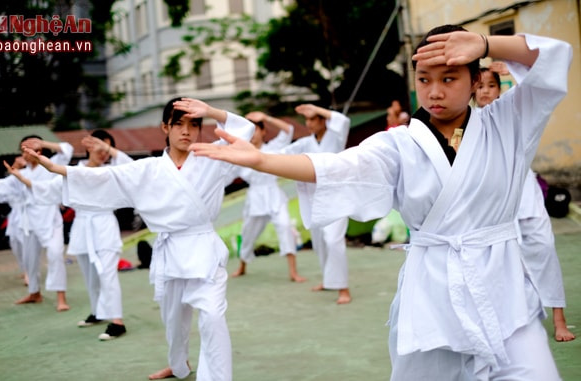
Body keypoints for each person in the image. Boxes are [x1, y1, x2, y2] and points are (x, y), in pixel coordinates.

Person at [190, 25, 572, 380]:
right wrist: (262, 160)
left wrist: (486, 43)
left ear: (475, 81)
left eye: (449, 79)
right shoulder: (398, 144)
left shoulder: (509, 123)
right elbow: (340, 167)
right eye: (424, 80)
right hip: (434, 296)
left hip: (505, 295)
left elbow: (555, 59)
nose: (434, 92)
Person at [24, 97, 254, 381]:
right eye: (179, 124)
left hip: (203, 249)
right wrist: (55, 168)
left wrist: (211, 111)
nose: (187, 131)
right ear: (165, 127)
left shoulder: (213, 157)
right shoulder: (147, 169)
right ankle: (178, 365)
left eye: (194, 125)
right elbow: (105, 178)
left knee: (213, 319)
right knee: (173, 320)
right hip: (170, 251)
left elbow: (245, 132)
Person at [474, 65, 575, 343]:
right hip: (491, 199)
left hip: (525, 193)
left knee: (544, 248)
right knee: (498, 261)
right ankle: (505, 321)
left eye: (491, 85)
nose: (485, 91)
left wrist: (514, 72)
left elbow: (534, 88)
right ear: (472, 89)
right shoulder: (468, 121)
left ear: (500, 88)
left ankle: (558, 318)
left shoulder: (514, 111)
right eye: (480, 86)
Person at [5, 130, 134, 341]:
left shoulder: (113, 170)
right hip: (82, 226)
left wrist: (108, 147)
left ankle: (117, 321)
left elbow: (130, 166)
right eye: (98, 146)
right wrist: (21, 178)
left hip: (104, 226)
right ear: (89, 146)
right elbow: (49, 188)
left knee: (107, 274)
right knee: (89, 275)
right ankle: (97, 312)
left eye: (106, 148)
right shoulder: (77, 170)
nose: (102, 152)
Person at [0, 136, 73, 311]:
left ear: (38, 151)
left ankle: (61, 297)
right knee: (29, 260)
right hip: (29, 222)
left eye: (28, 149)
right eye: (22, 150)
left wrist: (44, 143)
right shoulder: (22, 174)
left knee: (55, 255)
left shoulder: (50, 165)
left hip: (50, 219)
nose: (24, 154)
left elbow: (67, 149)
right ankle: (34, 293)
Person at [283, 103, 352, 304]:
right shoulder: (305, 143)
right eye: (308, 119)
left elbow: (343, 121)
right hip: (314, 198)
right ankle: (327, 280)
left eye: (314, 119)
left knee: (333, 241)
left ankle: (343, 288)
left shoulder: (336, 136)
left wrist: (317, 109)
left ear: (323, 120)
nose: (309, 123)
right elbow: (282, 153)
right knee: (320, 242)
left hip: (337, 197)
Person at [229, 111, 306, 282]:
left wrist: (266, 118)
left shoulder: (273, 148)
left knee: (285, 226)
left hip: (273, 194)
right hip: (255, 197)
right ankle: (242, 265)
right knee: (248, 232)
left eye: (256, 129)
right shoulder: (240, 154)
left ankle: (293, 272)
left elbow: (289, 130)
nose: (254, 134)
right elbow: (226, 176)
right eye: (250, 130)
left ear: (263, 131)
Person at [0, 156, 29, 285]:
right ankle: (25, 270)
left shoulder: (28, 174)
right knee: (15, 244)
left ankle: (30, 273)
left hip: (28, 214)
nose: (18, 159)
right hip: (15, 215)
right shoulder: (11, 180)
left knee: (26, 244)